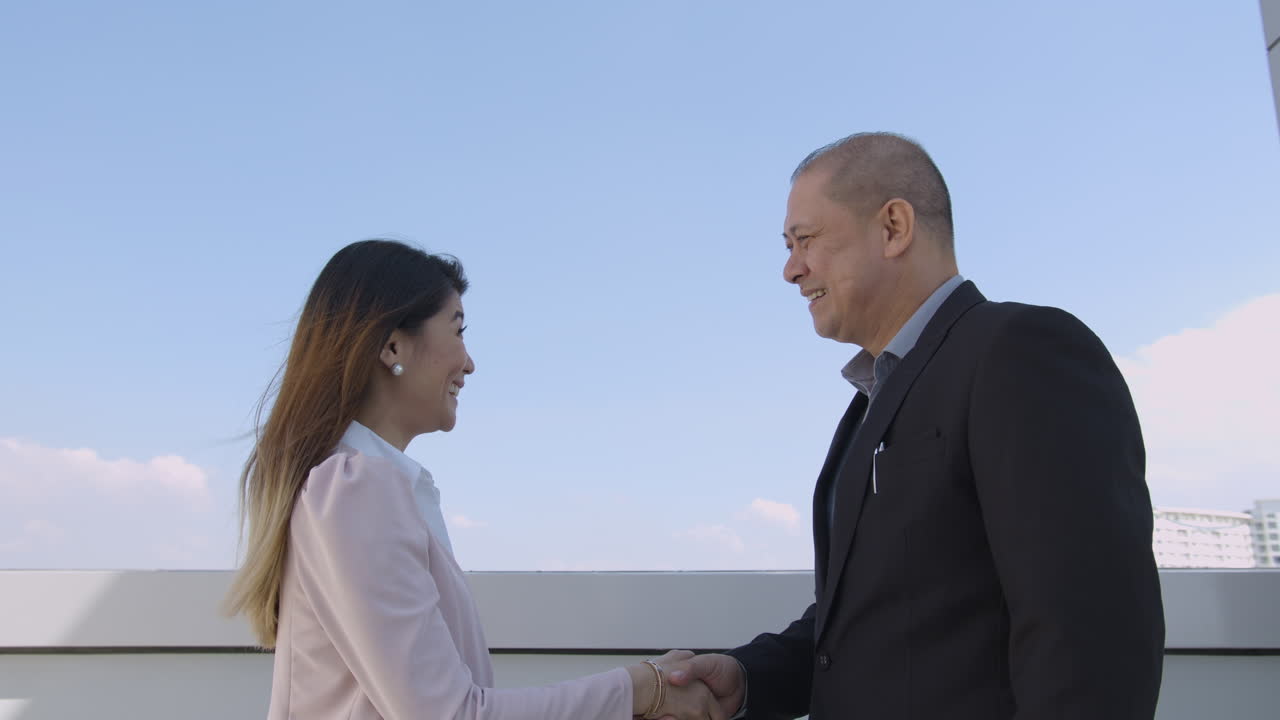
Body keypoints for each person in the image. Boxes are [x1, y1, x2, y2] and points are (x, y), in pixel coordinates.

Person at [662, 133, 1166, 719]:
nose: (791, 270)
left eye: (805, 241)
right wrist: (748, 679)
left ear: (894, 227)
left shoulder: (1021, 351)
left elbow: (1092, 630)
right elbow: (876, 619)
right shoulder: (873, 400)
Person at [225, 239, 722, 720]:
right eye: (458, 330)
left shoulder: (364, 486)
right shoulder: (357, 490)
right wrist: (642, 687)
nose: (469, 362)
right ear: (391, 343)